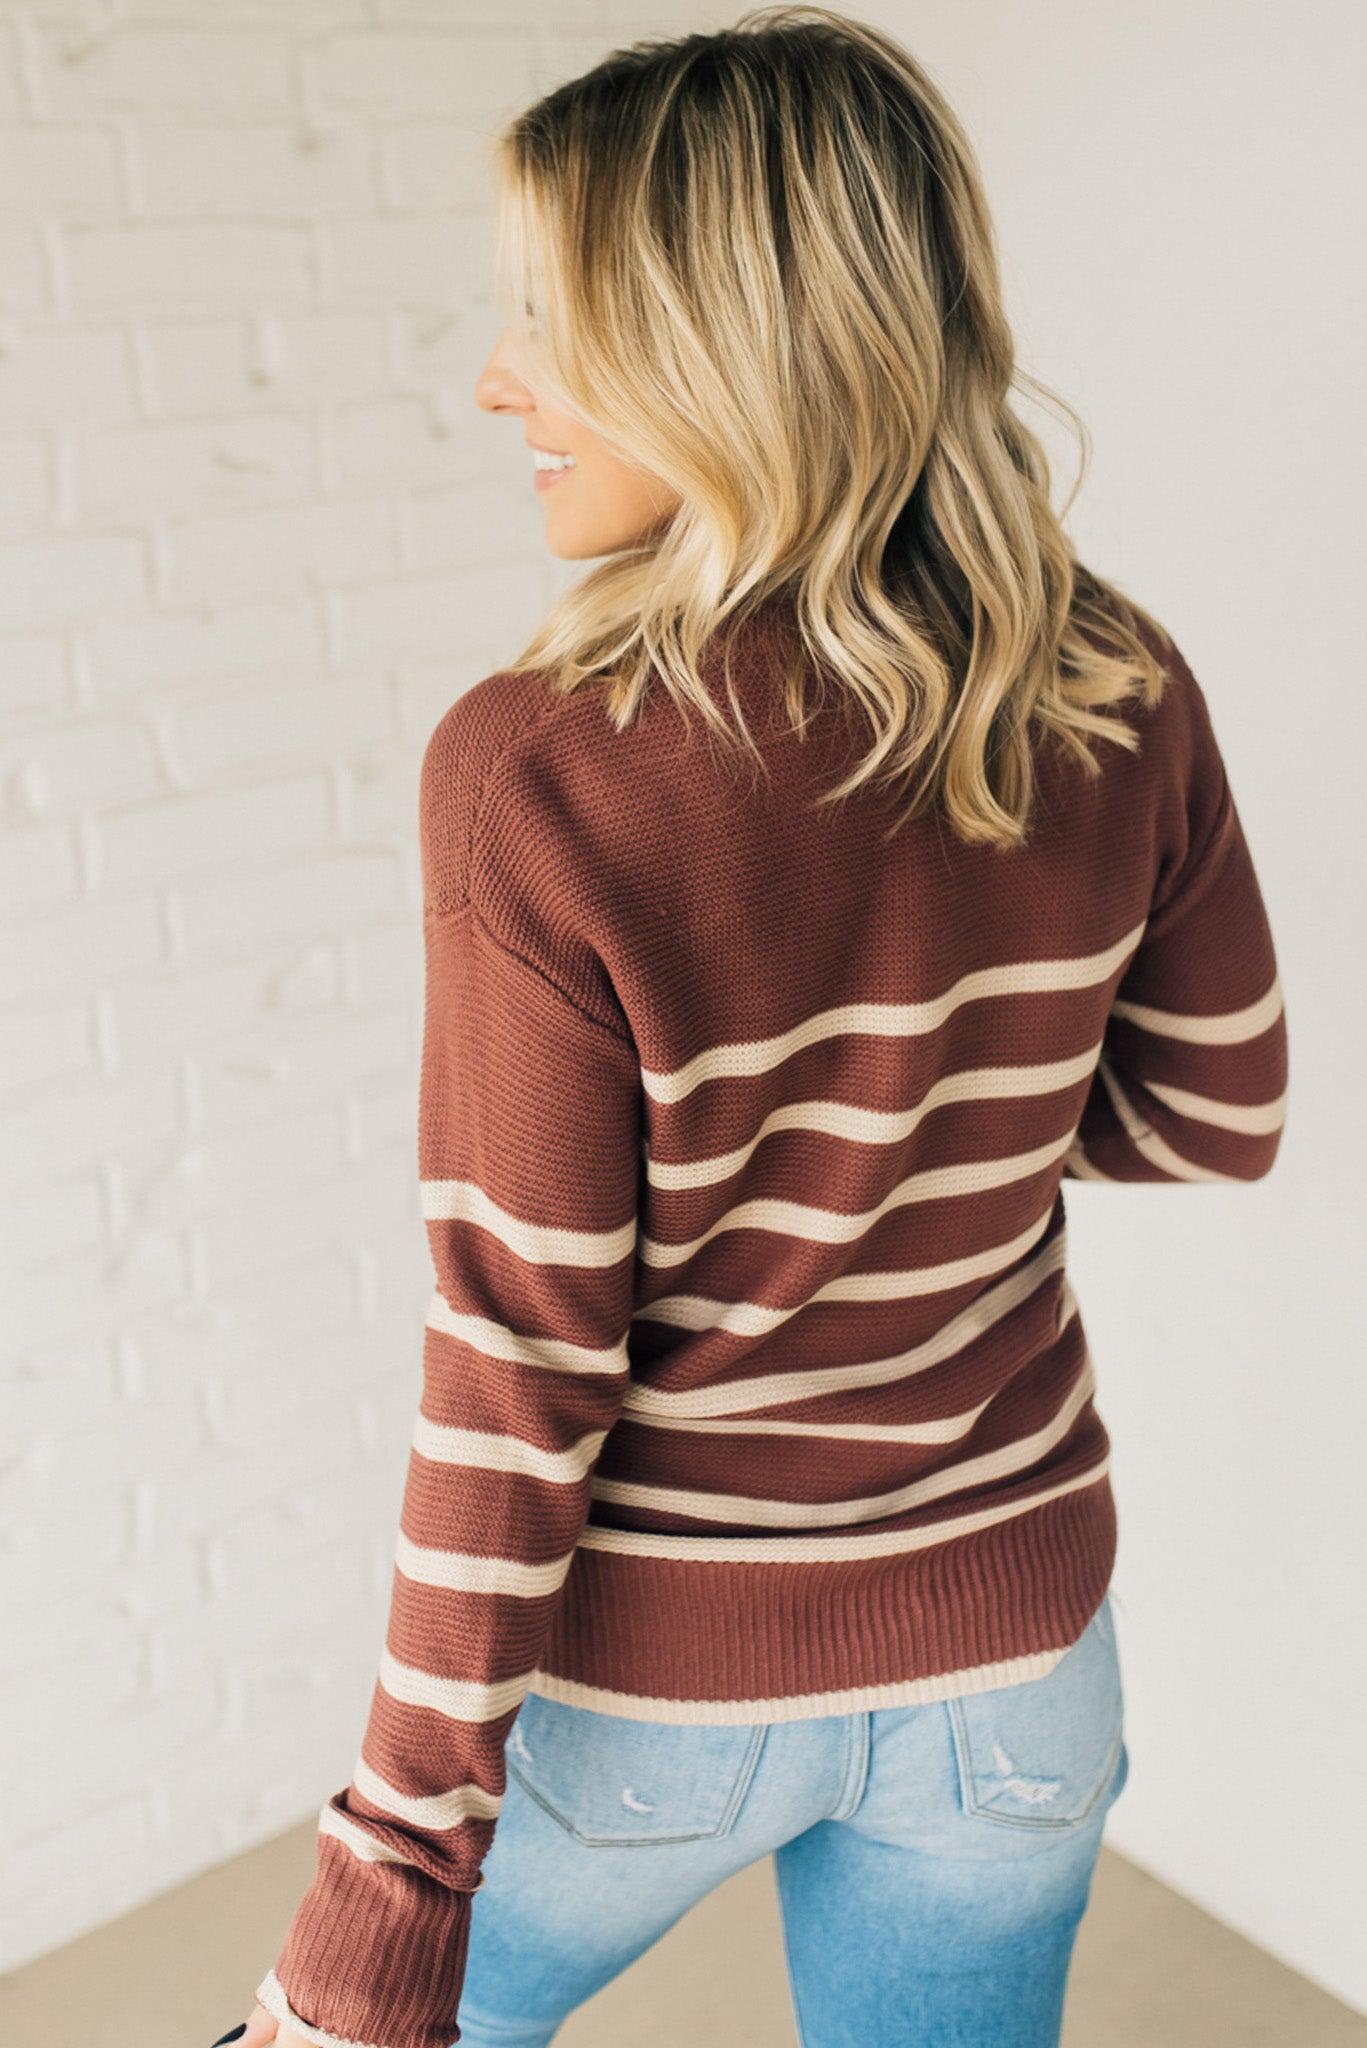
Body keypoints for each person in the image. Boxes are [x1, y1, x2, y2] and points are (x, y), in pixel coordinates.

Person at [228, 8, 1290, 2047]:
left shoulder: (536, 775)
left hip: (654, 1706)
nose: (496, 382)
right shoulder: (1113, 680)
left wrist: (387, 1877)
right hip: (1017, 1680)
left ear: (725, 351)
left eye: (556, 323)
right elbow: (1211, 1113)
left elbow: (516, 1361)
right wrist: (916, 1104)